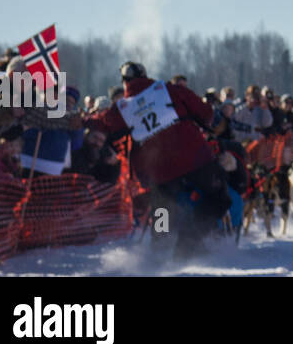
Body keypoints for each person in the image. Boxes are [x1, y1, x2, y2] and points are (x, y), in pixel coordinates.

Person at [84, 62, 226, 256]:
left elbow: (103, 122)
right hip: (194, 160)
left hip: (157, 171)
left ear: (124, 82)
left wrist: (80, 120)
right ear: (145, 75)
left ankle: (158, 249)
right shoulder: (170, 90)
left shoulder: (123, 108)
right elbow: (206, 114)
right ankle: (190, 239)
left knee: (162, 208)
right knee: (219, 198)